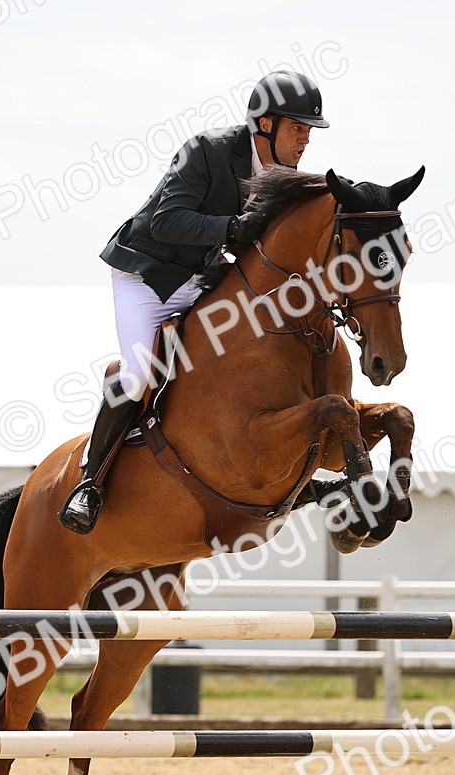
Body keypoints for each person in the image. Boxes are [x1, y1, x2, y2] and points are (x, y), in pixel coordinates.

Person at [58, 70, 330, 534]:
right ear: (264, 124)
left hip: (202, 276)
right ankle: (89, 482)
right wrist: (227, 228)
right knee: (140, 373)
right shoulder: (207, 150)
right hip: (148, 276)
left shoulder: (287, 180)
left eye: (309, 130)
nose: (305, 139)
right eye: (297, 127)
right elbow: (167, 221)